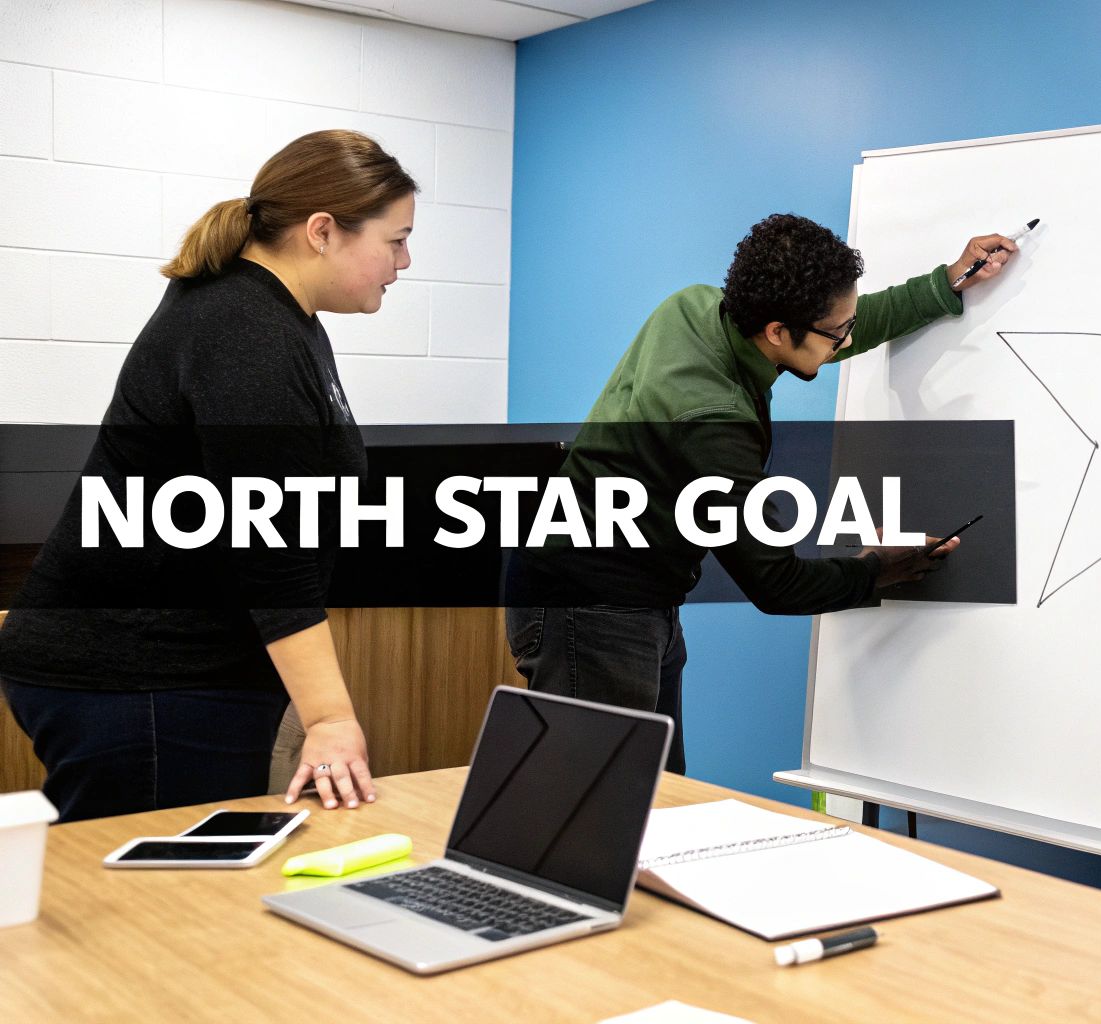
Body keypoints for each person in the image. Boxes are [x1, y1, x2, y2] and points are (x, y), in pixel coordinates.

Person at [0, 130, 417, 822]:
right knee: (167, 887)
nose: (404, 262)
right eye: (396, 240)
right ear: (322, 231)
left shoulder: (274, 318)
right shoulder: (244, 328)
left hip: (168, 668)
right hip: (140, 675)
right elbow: (270, 550)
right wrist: (330, 718)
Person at [506, 214, 1018, 773]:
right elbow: (777, 584)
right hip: (589, 607)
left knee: (657, 797)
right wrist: (878, 567)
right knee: (597, 800)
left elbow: (841, 326)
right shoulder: (712, 423)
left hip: (634, 598)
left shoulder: (696, 306)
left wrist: (944, 283)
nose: (847, 339)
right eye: (837, 333)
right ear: (777, 331)